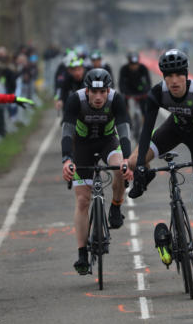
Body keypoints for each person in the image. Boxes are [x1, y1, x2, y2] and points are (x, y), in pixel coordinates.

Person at [128, 49, 193, 282]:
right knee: (132, 161)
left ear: (185, 75)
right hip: (174, 129)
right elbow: (145, 131)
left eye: (177, 75)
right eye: (168, 75)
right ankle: (146, 176)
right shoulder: (157, 93)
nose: (173, 81)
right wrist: (141, 164)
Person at [61, 68, 133, 275]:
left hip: (108, 142)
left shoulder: (116, 99)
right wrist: (67, 159)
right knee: (83, 201)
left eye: (103, 92)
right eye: (94, 92)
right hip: (81, 146)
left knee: (120, 168)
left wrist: (127, 159)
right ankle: (82, 253)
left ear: (108, 91)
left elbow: (124, 130)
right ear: (87, 91)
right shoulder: (76, 100)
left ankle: (116, 206)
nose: (99, 97)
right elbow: (67, 131)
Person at [118, 51, 152, 116]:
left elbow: (148, 82)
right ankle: (127, 117)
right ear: (128, 62)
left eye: (136, 64)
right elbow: (121, 83)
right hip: (128, 90)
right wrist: (123, 92)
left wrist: (147, 91)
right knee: (122, 103)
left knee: (145, 108)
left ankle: (144, 121)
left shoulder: (143, 68)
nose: (134, 66)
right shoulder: (124, 69)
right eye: (132, 64)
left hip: (141, 90)